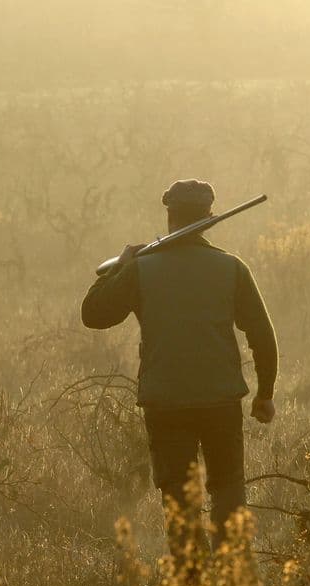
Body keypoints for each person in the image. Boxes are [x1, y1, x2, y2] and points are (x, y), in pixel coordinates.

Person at [80, 179, 278, 550]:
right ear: (209, 218)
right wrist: (264, 394)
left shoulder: (140, 269)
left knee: (179, 501)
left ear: (170, 216)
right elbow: (262, 334)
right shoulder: (232, 268)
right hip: (220, 401)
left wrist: (120, 267)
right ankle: (233, 582)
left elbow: (93, 314)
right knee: (229, 491)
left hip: (165, 403)